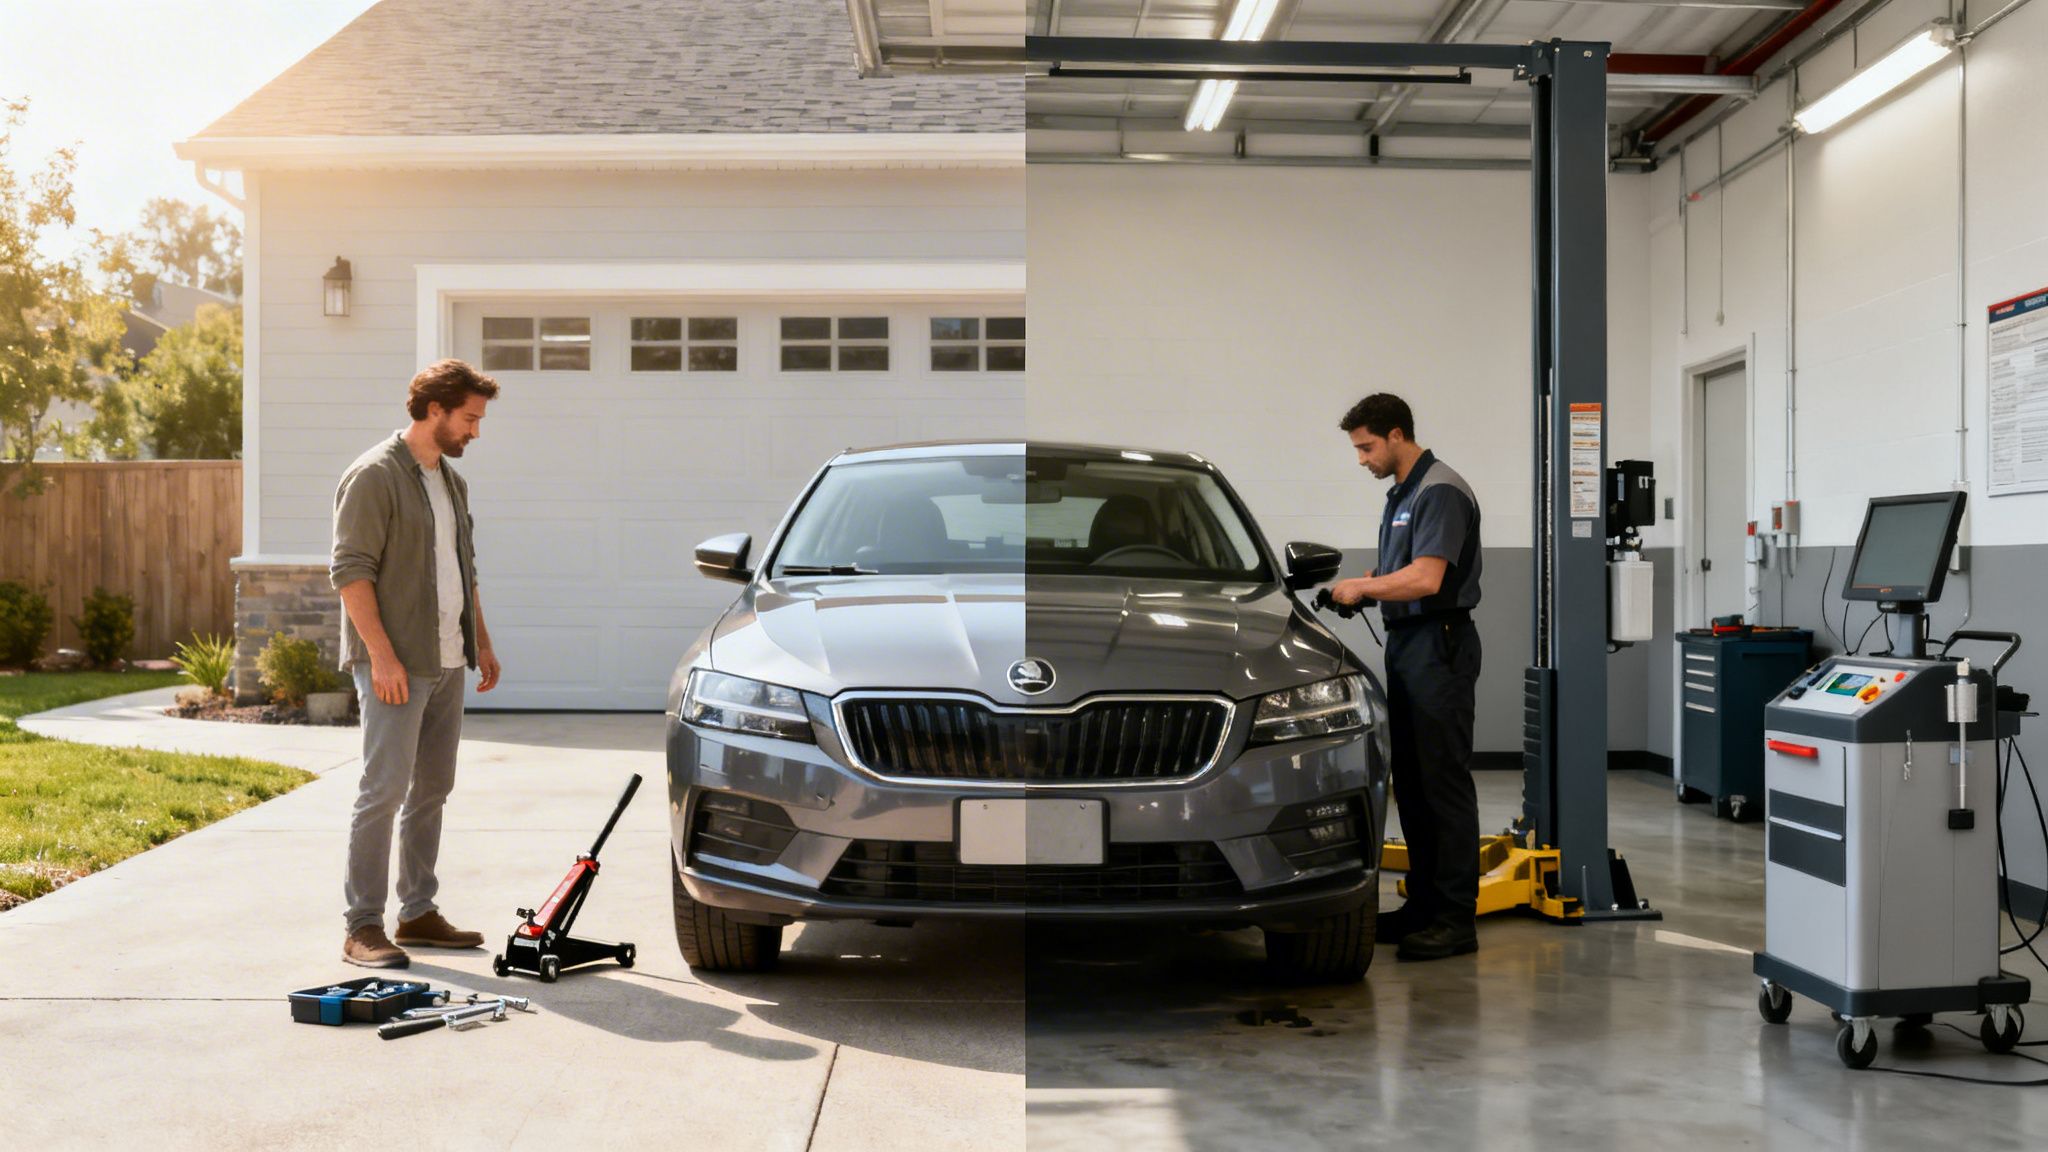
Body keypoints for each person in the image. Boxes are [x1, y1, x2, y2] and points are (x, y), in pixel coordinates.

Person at [331, 359, 503, 968]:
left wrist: (480, 640)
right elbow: (350, 573)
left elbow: (465, 569)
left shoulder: (450, 481)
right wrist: (381, 657)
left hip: (447, 657)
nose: (475, 432)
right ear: (435, 410)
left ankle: (418, 912)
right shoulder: (374, 476)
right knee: (383, 790)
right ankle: (362, 926)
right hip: (397, 661)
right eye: (469, 418)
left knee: (432, 788)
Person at [1328, 393, 1484, 962]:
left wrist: (1366, 588)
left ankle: (1453, 920)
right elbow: (1403, 570)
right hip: (1412, 645)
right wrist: (1367, 580)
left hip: (1438, 647)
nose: (1362, 459)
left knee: (1440, 784)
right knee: (1414, 783)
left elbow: (1425, 577)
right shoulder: (1407, 492)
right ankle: (1423, 907)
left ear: (1397, 435)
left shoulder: (1439, 488)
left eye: (1366, 447)